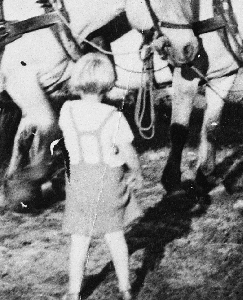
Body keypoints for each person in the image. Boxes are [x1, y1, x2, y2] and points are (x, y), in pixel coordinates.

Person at [59, 53, 143, 300]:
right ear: (109, 82)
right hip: (108, 181)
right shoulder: (113, 116)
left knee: (79, 240)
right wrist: (136, 171)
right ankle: (126, 288)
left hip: (79, 181)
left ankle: (74, 292)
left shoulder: (67, 110)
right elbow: (128, 150)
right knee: (115, 236)